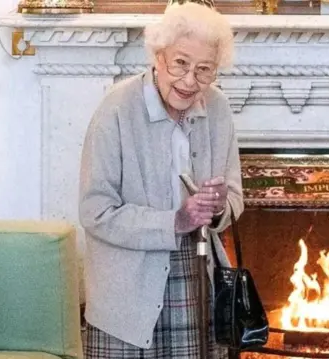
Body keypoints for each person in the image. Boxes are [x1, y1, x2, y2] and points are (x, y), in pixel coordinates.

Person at [77, 2, 243, 358]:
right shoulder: (117, 109)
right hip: (125, 293)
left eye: (204, 70)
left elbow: (234, 199)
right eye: (180, 63)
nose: (189, 81)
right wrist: (175, 220)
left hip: (197, 278)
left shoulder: (218, 109)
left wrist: (215, 209)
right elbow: (95, 212)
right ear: (158, 54)